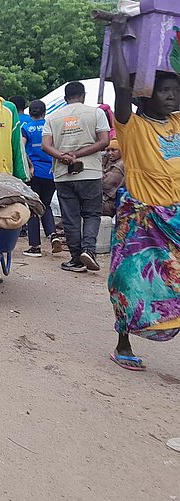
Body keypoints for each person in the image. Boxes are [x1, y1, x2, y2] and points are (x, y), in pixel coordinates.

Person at [106, 16, 180, 371]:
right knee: (128, 281)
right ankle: (124, 340)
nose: (172, 97)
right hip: (142, 217)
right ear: (147, 93)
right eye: (165, 90)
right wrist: (119, 35)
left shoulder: (178, 123)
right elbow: (121, 87)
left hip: (176, 218)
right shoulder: (131, 126)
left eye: (176, 91)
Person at [42, 81, 111, 273]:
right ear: (83, 95)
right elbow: (104, 141)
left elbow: (46, 146)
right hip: (90, 172)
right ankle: (88, 250)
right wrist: (78, 155)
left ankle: (76, 259)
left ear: (65, 98)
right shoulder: (96, 113)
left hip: (63, 175)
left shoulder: (53, 117)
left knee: (70, 217)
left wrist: (63, 156)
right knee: (91, 214)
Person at [21, 100, 64, 257]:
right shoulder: (51, 125)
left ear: (30, 113)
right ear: (45, 112)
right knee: (45, 205)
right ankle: (53, 235)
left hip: (34, 174)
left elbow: (21, 148)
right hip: (51, 173)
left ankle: (35, 247)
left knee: (33, 207)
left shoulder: (26, 128)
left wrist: (30, 166)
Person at [101, 139, 125, 216]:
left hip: (110, 204)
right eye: (108, 150)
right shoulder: (109, 162)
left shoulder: (120, 165)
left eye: (114, 150)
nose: (110, 153)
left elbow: (105, 184)